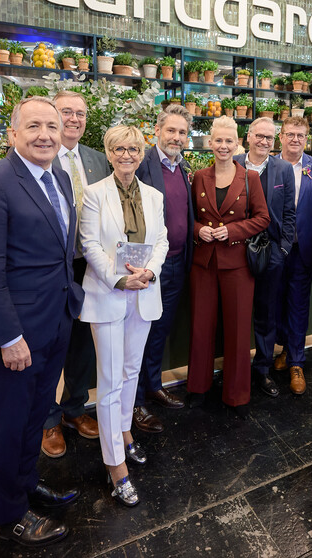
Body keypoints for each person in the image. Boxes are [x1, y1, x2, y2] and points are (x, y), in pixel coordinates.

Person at [0, 96, 81, 547]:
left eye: (52, 125)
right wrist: (9, 337)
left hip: (55, 322)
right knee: (10, 424)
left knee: (35, 416)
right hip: (17, 334)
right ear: (12, 134)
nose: (45, 134)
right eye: (33, 126)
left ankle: (26, 485)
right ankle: (10, 515)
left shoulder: (60, 179)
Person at [79, 125, 168, 507]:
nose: (127, 155)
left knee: (131, 372)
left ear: (142, 153)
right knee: (111, 380)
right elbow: (89, 244)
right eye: (119, 149)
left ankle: (126, 434)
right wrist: (118, 279)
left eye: (133, 148)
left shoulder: (153, 195)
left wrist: (150, 272)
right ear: (109, 153)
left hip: (144, 293)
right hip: (109, 294)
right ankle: (115, 466)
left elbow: (161, 239)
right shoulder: (94, 194)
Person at [41, 91, 111, 459]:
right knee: (52, 344)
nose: (74, 118)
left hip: (90, 264)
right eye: (66, 111)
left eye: (80, 113)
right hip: (54, 268)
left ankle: (74, 410)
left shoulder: (98, 160)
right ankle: (48, 419)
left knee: (83, 343)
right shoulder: (39, 157)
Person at [186, 117, 270, 416]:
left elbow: (263, 218)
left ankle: (236, 394)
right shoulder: (198, 176)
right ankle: (198, 387)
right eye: (218, 140)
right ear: (210, 143)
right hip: (204, 262)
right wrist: (199, 230)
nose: (223, 146)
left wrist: (231, 231)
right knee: (201, 326)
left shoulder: (250, 178)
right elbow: (189, 218)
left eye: (229, 141)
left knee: (237, 331)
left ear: (238, 144)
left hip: (237, 264)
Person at [132, 106, 194, 434]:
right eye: (171, 130)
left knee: (159, 331)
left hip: (178, 264)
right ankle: (136, 401)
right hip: (148, 267)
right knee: (140, 333)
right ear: (157, 130)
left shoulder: (183, 168)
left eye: (182, 132)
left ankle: (153, 384)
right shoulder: (142, 164)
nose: (176, 137)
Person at [271, 116, 312, 394]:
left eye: (301, 136)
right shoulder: (270, 166)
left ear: (307, 139)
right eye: (290, 134)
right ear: (280, 137)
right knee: (275, 304)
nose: (295, 139)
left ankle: (297, 361)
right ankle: (283, 350)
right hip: (273, 249)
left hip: (304, 250)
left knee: (297, 305)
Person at [236, 118, 296, 397]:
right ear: (247, 136)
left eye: (269, 138)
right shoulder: (232, 162)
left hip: (270, 253)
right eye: (259, 135)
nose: (264, 141)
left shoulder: (283, 169)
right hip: (234, 251)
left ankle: (262, 369)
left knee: (266, 314)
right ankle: (234, 370)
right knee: (235, 314)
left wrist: (283, 250)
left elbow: (289, 214)